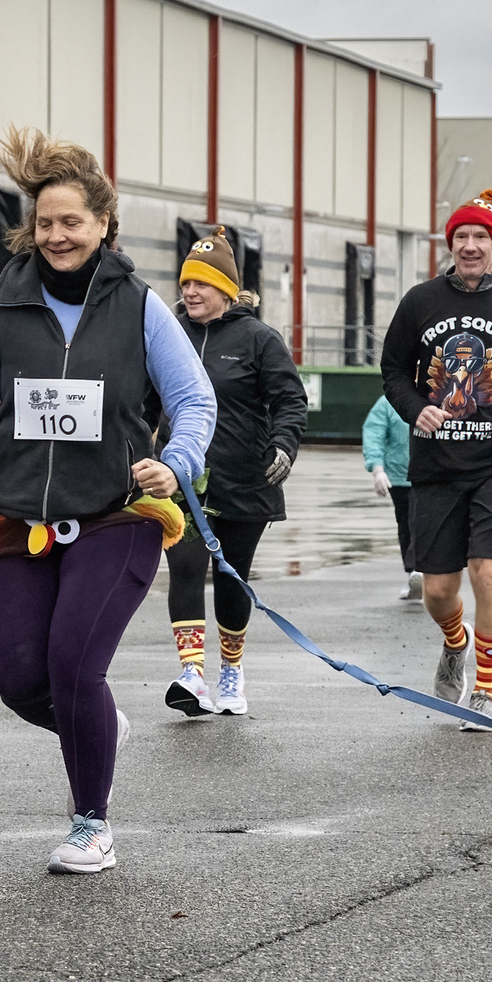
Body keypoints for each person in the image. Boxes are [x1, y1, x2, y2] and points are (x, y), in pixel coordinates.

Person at [0, 127, 215, 873]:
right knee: (18, 677)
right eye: (46, 223)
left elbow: (194, 399)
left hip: (116, 512)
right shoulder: (1, 303)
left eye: (72, 222)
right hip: (18, 514)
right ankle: (96, 724)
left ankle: (92, 823)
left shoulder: (139, 306)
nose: (57, 235)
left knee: (73, 663)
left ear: (103, 225)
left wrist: (174, 463)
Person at [380, 188, 492, 731]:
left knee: (488, 573)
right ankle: (455, 643)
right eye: (460, 237)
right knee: (438, 590)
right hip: (437, 465)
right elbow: (392, 369)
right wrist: (416, 408)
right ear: (450, 244)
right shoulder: (420, 301)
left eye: (479, 238)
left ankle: (484, 692)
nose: (469, 246)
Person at [160, 227, 307, 717]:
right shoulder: (168, 334)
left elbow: (290, 400)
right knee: (184, 565)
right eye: (185, 284)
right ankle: (192, 673)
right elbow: (139, 401)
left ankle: (230, 671)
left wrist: (284, 444)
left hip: (246, 480)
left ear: (225, 289)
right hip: (181, 481)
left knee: (231, 577)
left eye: (201, 284)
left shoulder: (259, 339)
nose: (190, 292)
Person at [362, 393, 420, 600]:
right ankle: (412, 574)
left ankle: (419, 571)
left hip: (432, 474)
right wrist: (377, 469)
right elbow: (374, 433)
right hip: (400, 476)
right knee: (406, 525)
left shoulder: (441, 395)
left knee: (420, 522)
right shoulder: (388, 403)